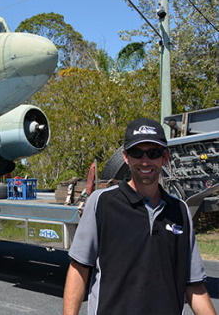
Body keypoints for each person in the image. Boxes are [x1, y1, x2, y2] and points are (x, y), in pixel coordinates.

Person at [63, 118, 216, 315]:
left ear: (165, 157)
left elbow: (193, 285)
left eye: (153, 153)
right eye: (137, 153)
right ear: (126, 157)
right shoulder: (102, 203)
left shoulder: (180, 211)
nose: (145, 161)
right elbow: (79, 269)